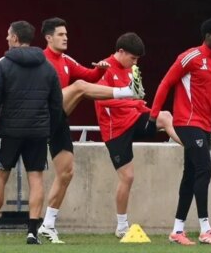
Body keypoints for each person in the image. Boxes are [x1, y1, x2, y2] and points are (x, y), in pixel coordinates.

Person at [39, 17, 144, 243]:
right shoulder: (39, 59)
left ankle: (46, 225)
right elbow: (82, 85)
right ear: (48, 37)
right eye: (60, 34)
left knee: (66, 173)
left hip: (58, 121)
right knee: (78, 88)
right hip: (39, 116)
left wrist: (100, 70)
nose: (65, 37)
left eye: (66, 34)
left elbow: (89, 76)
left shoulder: (66, 60)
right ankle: (127, 92)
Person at [0, 20, 63, 245]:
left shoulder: (3, 64)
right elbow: (56, 104)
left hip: (9, 131)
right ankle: (33, 232)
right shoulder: (47, 66)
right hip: (38, 132)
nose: (6, 38)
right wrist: (49, 131)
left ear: (14, 38)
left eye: (8, 35)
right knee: (37, 178)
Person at [150, 18, 211, 245]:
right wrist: (153, 116)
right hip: (187, 122)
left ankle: (177, 230)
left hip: (205, 124)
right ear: (207, 36)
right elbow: (166, 83)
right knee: (204, 169)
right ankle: (205, 228)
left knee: (190, 176)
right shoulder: (190, 57)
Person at [93, 32, 181, 237]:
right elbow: (101, 99)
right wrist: (132, 101)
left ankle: (193, 146)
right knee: (128, 177)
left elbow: (135, 100)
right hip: (115, 131)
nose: (135, 62)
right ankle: (121, 226)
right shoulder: (104, 68)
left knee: (165, 116)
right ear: (121, 52)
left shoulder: (131, 70)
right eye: (133, 58)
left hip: (134, 120)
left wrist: (144, 108)